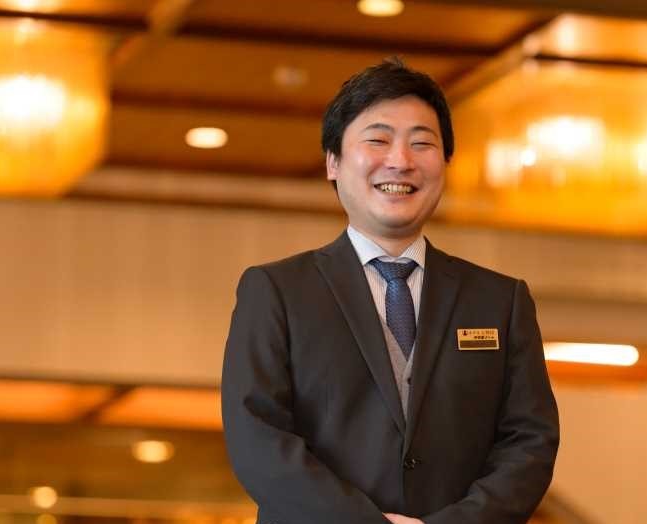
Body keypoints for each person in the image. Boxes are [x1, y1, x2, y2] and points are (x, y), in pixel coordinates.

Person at [221, 57, 559, 524]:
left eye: (422, 143)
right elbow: (257, 438)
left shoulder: (501, 301)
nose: (400, 160)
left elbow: (530, 443)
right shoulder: (276, 291)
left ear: (445, 162)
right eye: (378, 140)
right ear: (333, 162)